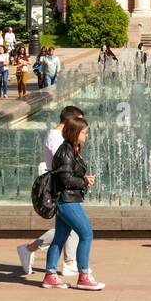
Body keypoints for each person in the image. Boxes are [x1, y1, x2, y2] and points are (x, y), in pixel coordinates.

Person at [18, 104, 84, 277]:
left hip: (67, 188)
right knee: (75, 227)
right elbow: (64, 165)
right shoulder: (55, 137)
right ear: (70, 121)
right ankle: (30, 249)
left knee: (68, 227)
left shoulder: (58, 136)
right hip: (61, 189)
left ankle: (67, 261)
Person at [41, 116, 103, 291]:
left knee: (60, 237)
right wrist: (83, 181)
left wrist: (83, 180)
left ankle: (50, 276)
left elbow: (67, 175)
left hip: (67, 198)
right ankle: (84, 276)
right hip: (67, 200)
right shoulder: (65, 151)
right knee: (87, 234)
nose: (86, 136)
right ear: (75, 133)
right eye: (84, 132)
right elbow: (65, 178)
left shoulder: (71, 149)